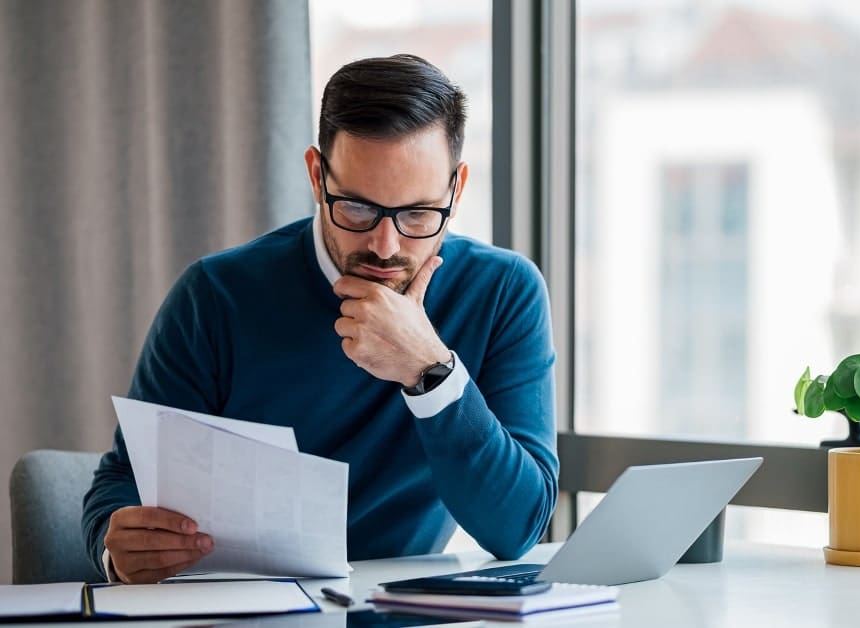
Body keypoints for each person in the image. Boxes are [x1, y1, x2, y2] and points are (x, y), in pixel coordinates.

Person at [81, 54, 558, 584]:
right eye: (356, 208)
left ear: (457, 189)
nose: (386, 245)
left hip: (401, 611)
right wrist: (115, 543)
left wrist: (430, 373)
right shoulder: (217, 296)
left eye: (419, 214)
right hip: (242, 610)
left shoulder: (504, 291)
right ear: (316, 175)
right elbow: (122, 481)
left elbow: (517, 528)